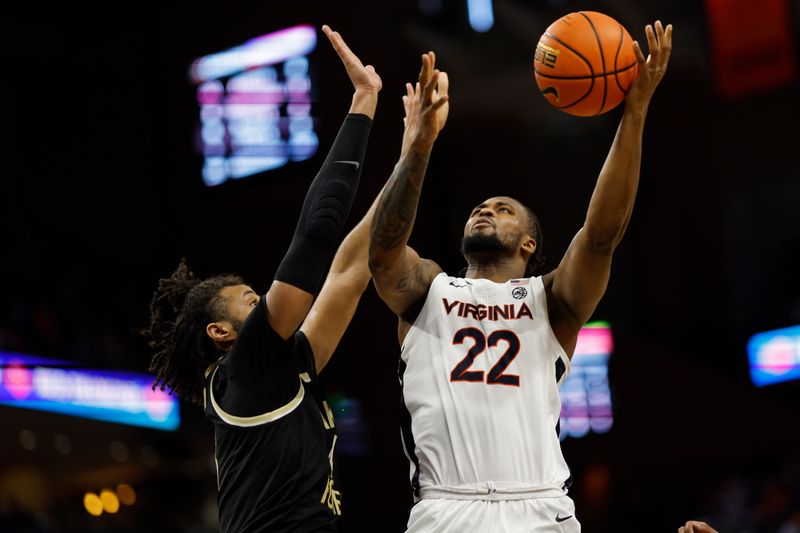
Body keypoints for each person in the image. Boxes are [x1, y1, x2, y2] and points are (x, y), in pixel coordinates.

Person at [368, 21, 673, 533]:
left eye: (503, 209)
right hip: (446, 506)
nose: (485, 210)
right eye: (480, 207)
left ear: (530, 243)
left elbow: (600, 236)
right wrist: (418, 148)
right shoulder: (427, 289)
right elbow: (382, 251)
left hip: (539, 506)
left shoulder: (551, 300)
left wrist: (635, 111)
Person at [142, 25, 382, 532]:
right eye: (252, 301)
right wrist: (362, 102)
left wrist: (415, 150)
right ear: (221, 333)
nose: (267, 305)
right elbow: (318, 234)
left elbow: (353, 269)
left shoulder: (276, 370)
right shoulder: (245, 367)